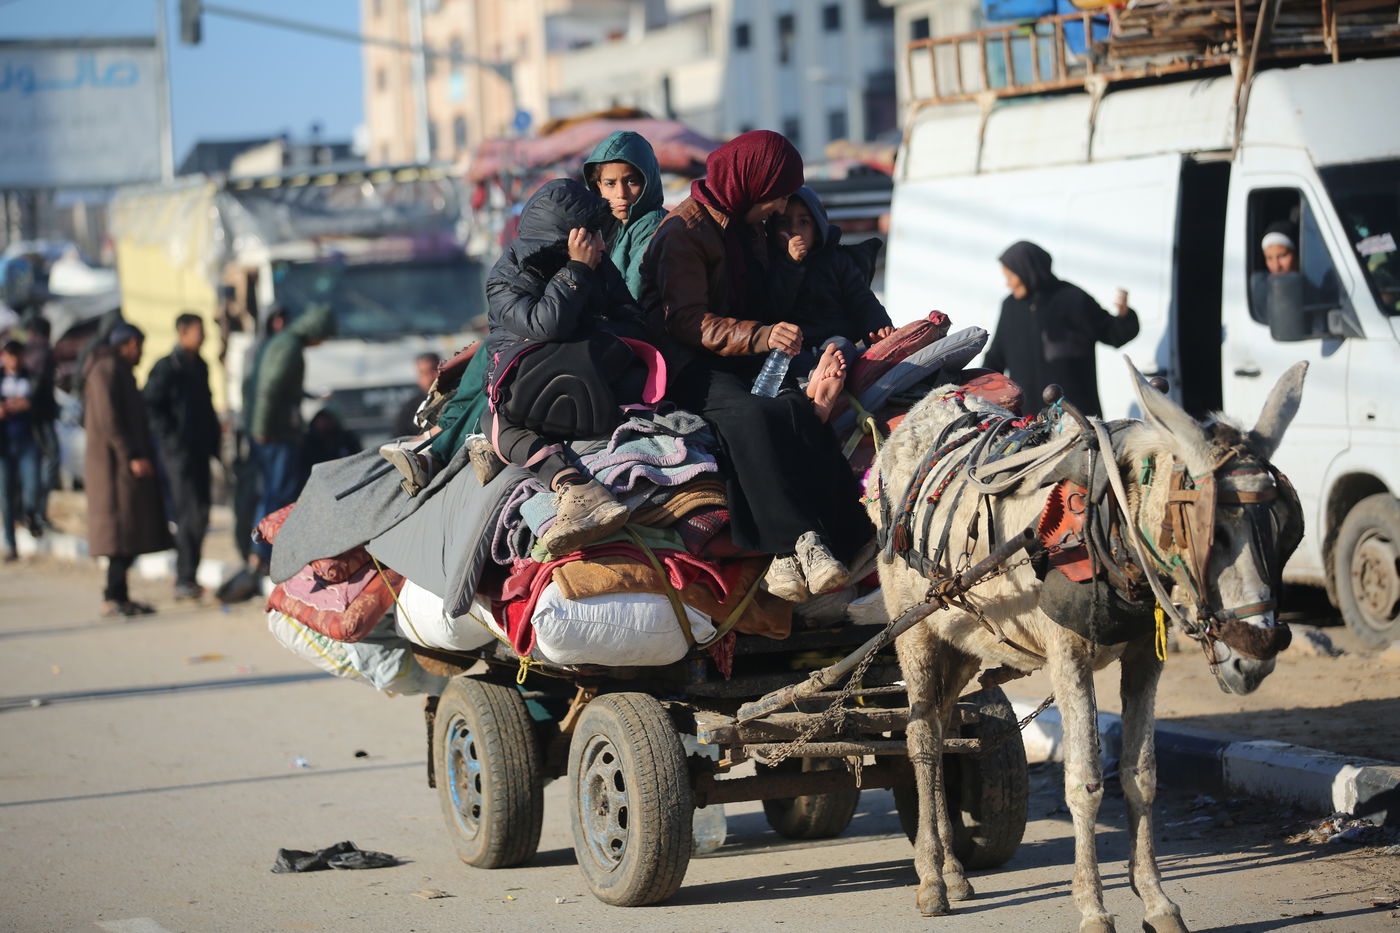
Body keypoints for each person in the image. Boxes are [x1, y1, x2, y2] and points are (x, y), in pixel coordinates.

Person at [639, 129, 875, 602]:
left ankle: (852, 539)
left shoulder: (748, 229)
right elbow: (684, 321)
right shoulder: (683, 233)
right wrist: (762, 335)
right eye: (777, 197)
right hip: (686, 366)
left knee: (796, 411)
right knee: (751, 418)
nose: (780, 208)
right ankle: (791, 547)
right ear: (750, 185)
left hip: (742, 359)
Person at [385, 179, 652, 556]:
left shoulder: (596, 263)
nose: (602, 244)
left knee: (496, 423)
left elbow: (631, 321)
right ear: (564, 237)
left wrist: (591, 326)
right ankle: (574, 487)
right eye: (592, 235)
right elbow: (546, 325)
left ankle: (574, 488)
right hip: (539, 382)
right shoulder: (508, 276)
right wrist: (576, 272)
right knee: (498, 417)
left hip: (594, 375)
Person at [983, 240, 1138, 418]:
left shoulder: (1073, 299)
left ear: (1028, 272)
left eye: (1010, 277)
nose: (1007, 284)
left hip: (1076, 420)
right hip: (1028, 423)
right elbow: (995, 359)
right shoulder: (1010, 306)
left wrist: (1125, 315)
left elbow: (1114, 334)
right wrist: (977, 390)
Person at [82, 324, 172, 616]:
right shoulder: (105, 370)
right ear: (131, 343)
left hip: (119, 466)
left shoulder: (116, 369)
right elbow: (109, 420)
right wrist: (130, 455)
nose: (141, 354)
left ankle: (118, 595)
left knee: (126, 534)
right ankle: (113, 597)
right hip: (113, 468)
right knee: (120, 533)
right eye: (140, 347)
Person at [243, 303, 334, 569]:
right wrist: (262, 428)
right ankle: (262, 553)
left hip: (273, 429)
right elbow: (268, 387)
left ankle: (261, 553)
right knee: (277, 494)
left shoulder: (284, 342)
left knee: (275, 492)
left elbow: (282, 387)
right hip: (274, 433)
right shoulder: (289, 347)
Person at [771, 185, 894, 370]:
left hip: (832, 340)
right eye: (783, 222)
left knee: (841, 348)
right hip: (792, 343)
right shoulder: (769, 262)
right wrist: (791, 265)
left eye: (803, 222)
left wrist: (879, 326)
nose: (794, 230)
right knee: (783, 358)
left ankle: (827, 377)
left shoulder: (837, 260)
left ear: (818, 227)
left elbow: (862, 300)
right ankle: (815, 383)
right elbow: (772, 306)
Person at [143, 313, 221, 600]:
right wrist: (171, 441)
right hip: (178, 454)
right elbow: (151, 406)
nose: (202, 337)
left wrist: (215, 443)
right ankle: (184, 576)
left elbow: (207, 407)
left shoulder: (199, 365)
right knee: (188, 514)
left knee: (201, 513)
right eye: (197, 331)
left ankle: (189, 574)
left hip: (200, 451)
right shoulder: (167, 367)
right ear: (182, 332)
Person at [582, 130, 669, 300]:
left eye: (632, 181)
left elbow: (632, 295)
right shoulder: (606, 225)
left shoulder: (653, 226)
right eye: (610, 184)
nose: (621, 193)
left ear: (648, 181)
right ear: (598, 186)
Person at [0, 339, 41, 560]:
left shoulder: (31, 377)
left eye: (17, 354)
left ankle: (30, 515)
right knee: (6, 495)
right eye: (9, 354)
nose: (13, 359)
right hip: (4, 446)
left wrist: (26, 404)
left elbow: (39, 402)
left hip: (28, 442)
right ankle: (10, 544)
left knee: (32, 486)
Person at [22, 317, 57, 528]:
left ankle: (31, 512)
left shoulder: (26, 352)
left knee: (32, 465)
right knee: (50, 461)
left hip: (29, 419)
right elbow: (35, 389)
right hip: (40, 417)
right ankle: (37, 512)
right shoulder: (43, 352)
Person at [391, 352, 440, 439]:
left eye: (432, 371)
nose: (428, 379)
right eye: (422, 373)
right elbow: (398, 440)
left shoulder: (455, 400)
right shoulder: (409, 409)